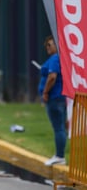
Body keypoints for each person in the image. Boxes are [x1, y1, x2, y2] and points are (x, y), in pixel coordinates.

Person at [38, 35, 67, 166]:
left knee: (58, 128)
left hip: (54, 98)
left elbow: (52, 77)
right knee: (60, 127)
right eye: (46, 46)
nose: (47, 47)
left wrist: (45, 92)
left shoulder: (56, 59)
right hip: (60, 97)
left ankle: (60, 156)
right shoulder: (60, 58)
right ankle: (59, 154)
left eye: (50, 44)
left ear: (57, 45)